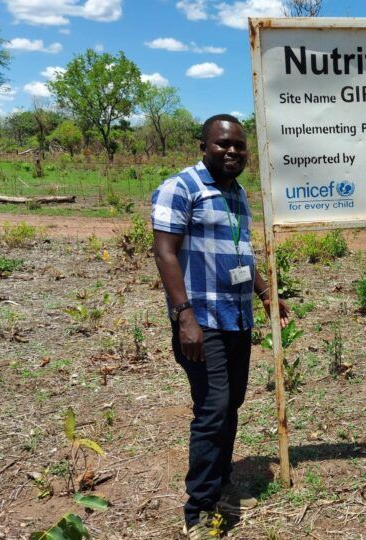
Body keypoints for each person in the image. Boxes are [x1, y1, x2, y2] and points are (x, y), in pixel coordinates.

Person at [151, 114, 289, 538]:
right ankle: (200, 509)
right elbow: (165, 252)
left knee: (232, 404)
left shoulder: (237, 193)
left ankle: (223, 478)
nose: (232, 152)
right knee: (212, 410)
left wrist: (266, 293)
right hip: (201, 321)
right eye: (222, 144)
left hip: (237, 317)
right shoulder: (181, 188)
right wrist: (184, 316)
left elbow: (241, 252)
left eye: (239, 146)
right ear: (203, 146)